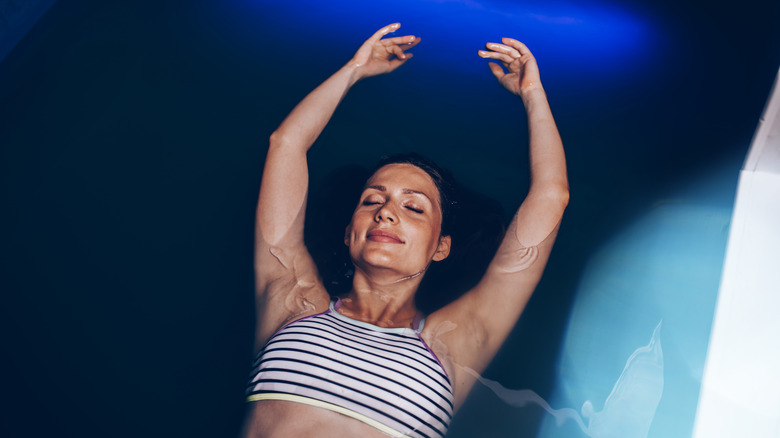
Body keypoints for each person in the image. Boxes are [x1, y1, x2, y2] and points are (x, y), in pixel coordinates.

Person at [242, 22, 569, 438]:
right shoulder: (291, 300)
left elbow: (551, 196)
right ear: (348, 231)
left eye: (413, 207)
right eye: (371, 200)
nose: (386, 213)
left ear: (441, 247)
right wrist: (354, 70)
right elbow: (286, 144)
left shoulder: (454, 343)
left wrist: (533, 94)